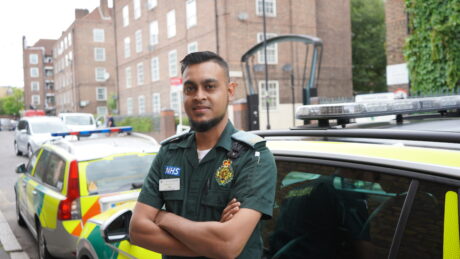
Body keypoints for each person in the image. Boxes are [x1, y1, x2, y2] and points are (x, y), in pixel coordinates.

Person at [130, 51, 277, 259]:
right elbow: (137, 230)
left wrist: (164, 218)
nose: (199, 96)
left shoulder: (254, 158)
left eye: (209, 86)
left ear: (230, 90)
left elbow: (228, 244)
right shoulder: (169, 153)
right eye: (190, 88)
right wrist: (211, 245)